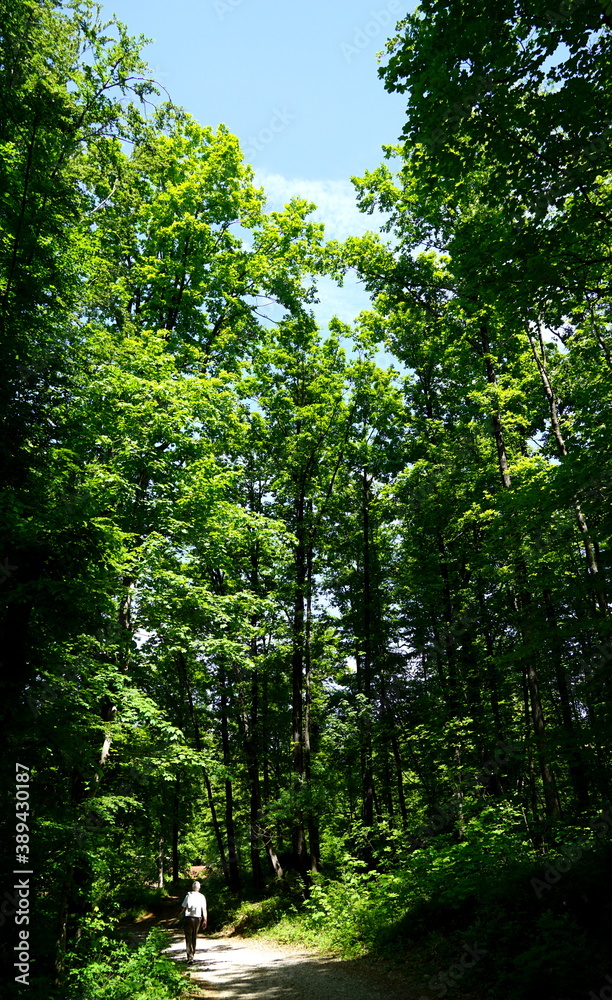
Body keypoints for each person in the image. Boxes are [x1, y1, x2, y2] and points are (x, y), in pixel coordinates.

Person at [180, 880, 207, 963]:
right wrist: (205, 920)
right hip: (198, 918)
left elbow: (183, 907)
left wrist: (178, 914)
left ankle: (190, 956)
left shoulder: (188, 895)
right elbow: (204, 909)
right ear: (199, 888)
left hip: (189, 917)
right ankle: (192, 954)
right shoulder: (202, 896)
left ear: (192, 887)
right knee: (194, 936)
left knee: (188, 936)